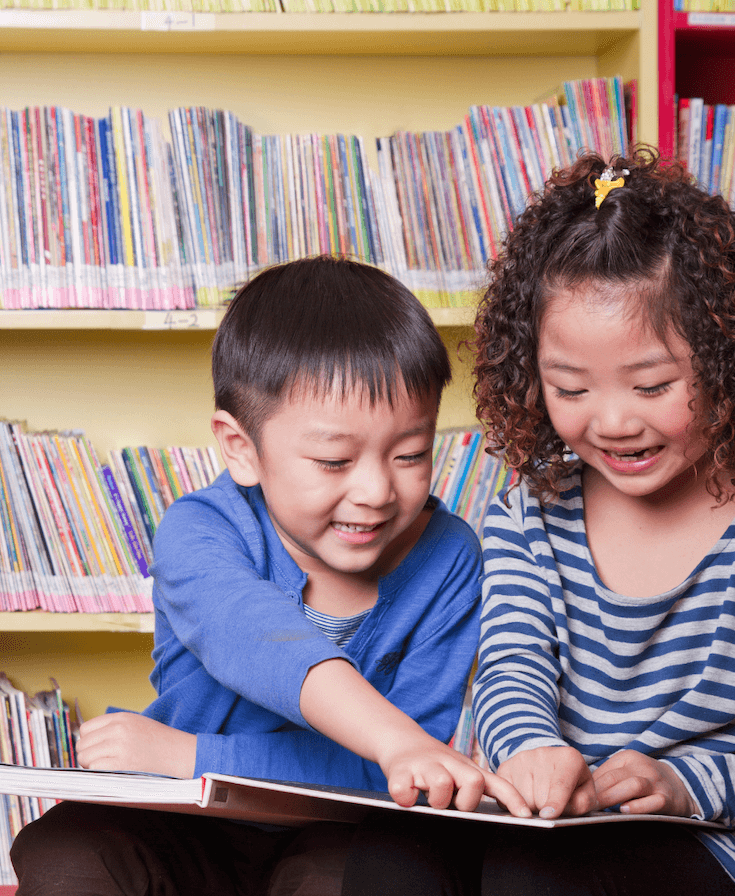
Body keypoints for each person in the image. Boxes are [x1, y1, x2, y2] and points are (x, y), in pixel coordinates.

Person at [344, 148, 735, 896]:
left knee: (534, 872)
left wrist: (687, 785)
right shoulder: (527, 518)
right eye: (570, 387)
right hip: (558, 826)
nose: (612, 421)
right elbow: (512, 671)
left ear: (729, 361)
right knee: (392, 849)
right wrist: (531, 748)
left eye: (652, 384)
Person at [11, 255, 527, 896]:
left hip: (338, 827)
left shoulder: (450, 559)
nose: (374, 490)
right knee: (65, 849)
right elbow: (259, 639)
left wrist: (190, 756)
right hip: (184, 822)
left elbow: (401, 776)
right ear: (241, 449)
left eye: (411, 454)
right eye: (334, 461)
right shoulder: (200, 532)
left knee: (384, 871)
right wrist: (395, 741)